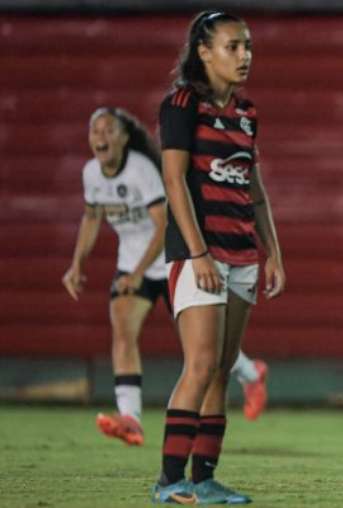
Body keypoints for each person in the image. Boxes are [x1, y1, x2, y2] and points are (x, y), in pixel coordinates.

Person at [62, 108, 271, 450]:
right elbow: (91, 217)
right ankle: (130, 418)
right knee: (123, 333)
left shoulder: (141, 171)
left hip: (173, 262)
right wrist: (77, 265)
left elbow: (162, 227)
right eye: (94, 130)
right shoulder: (91, 174)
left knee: (205, 349)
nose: (100, 136)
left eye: (108, 130)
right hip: (133, 268)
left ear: (124, 137)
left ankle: (251, 373)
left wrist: (137, 273)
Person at [152, 10, 285, 504]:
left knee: (223, 368)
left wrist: (272, 252)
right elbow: (174, 183)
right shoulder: (182, 104)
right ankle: (169, 481)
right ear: (203, 52)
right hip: (201, 254)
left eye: (247, 45)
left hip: (244, 253)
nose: (244, 55)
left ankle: (204, 478)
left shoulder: (247, 114)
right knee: (201, 363)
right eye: (232, 46)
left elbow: (255, 190)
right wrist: (198, 253)